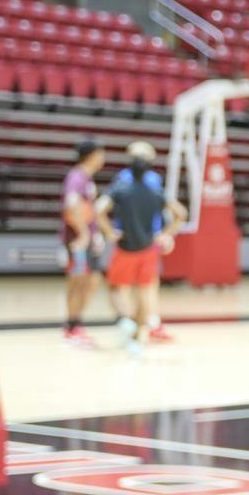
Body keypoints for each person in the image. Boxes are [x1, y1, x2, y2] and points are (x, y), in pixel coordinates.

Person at [95, 142, 186, 358]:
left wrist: (109, 232)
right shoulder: (154, 186)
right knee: (146, 289)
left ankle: (128, 321)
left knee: (118, 289)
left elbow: (100, 209)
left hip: (126, 244)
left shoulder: (121, 183)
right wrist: (166, 234)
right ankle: (141, 329)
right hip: (149, 244)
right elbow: (180, 212)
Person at [59, 139, 109, 349]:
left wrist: (95, 234)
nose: (103, 158)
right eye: (101, 153)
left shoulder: (87, 179)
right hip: (77, 242)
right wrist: (83, 234)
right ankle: (71, 328)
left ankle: (76, 323)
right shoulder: (77, 176)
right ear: (92, 155)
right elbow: (71, 205)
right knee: (78, 282)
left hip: (87, 241)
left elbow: (89, 210)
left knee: (92, 280)